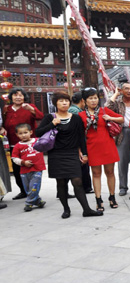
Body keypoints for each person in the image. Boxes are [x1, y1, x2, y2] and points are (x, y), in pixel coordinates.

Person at [35, 90, 102, 218]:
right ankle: (66, 209)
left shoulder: (76, 118)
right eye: (61, 101)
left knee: (77, 181)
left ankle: (86, 209)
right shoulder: (50, 117)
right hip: (56, 154)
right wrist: (52, 124)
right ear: (56, 103)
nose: (64, 103)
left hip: (71, 153)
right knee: (61, 183)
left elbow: (81, 137)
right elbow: (38, 132)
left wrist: (85, 154)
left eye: (66, 101)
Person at [79, 87, 124, 211]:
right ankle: (98, 200)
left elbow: (121, 119)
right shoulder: (80, 116)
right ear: (84, 100)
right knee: (96, 173)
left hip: (107, 146)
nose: (94, 101)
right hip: (92, 148)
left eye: (95, 98)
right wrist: (81, 152)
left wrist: (110, 118)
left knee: (110, 172)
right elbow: (79, 135)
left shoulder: (104, 110)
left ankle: (112, 197)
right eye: (90, 98)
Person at [2, 87, 44, 199]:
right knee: (17, 170)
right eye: (15, 95)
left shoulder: (30, 107)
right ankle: (23, 191)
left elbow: (41, 116)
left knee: (31, 168)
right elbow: (4, 123)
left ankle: (33, 192)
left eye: (20, 95)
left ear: (24, 97)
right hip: (14, 144)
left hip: (30, 144)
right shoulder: (7, 109)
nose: (18, 97)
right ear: (11, 97)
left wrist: (31, 109)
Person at [107, 82, 130, 196]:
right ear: (122, 91)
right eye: (126, 89)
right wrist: (115, 94)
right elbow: (107, 106)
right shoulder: (117, 103)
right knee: (122, 162)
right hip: (122, 133)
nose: (129, 91)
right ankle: (123, 187)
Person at [11, 123, 46, 211]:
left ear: (31, 132)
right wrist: (23, 162)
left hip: (37, 169)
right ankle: (38, 201)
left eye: (25, 132)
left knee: (34, 187)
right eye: (20, 133)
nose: (23, 135)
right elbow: (14, 158)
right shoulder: (17, 146)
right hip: (24, 171)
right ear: (17, 135)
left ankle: (29, 203)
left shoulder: (38, 141)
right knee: (28, 189)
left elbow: (47, 143)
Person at [67, 91, 93, 193]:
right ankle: (85, 188)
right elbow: (76, 131)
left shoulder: (75, 109)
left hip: (76, 143)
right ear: (83, 100)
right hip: (77, 144)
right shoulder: (75, 111)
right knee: (82, 166)